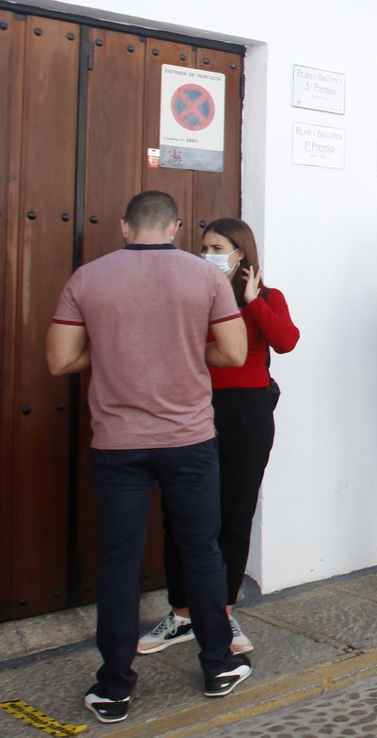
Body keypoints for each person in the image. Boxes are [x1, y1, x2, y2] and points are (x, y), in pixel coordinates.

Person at [45, 191, 253, 725]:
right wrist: (183, 346)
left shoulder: (87, 279)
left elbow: (60, 359)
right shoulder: (204, 278)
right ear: (178, 227)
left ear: (123, 226)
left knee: (118, 562)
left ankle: (113, 687)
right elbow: (232, 352)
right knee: (202, 551)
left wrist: (114, 346)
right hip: (188, 440)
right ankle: (216, 666)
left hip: (118, 444)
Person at [139, 219, 300, 659]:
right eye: (203, 244)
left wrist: (251, 301)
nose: (206, 251)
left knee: (234, 512)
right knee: (180, 511)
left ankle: (223, 613)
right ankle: (183, 614)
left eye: (216, 246)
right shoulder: (191, 293)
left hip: (245, 414)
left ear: (240, 253)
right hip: (191, 408)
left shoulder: (267, 296)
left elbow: (286, 341)